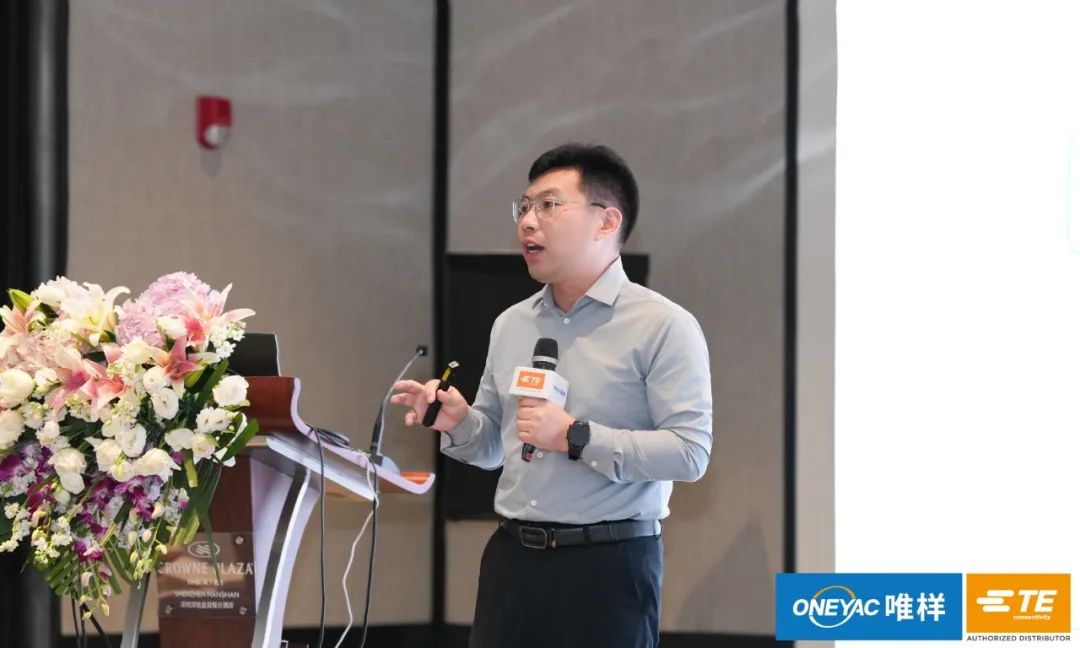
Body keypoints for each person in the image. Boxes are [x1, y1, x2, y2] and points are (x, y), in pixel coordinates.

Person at [391, 143, 712, 648]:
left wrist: (575, 436)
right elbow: (494, 448)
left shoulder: (663, 325)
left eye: (549, 205)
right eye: (524, 207)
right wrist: (458, 422)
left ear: (606, 221)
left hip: (608, 568)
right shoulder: (512, 324)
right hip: (512, 563)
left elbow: (690, 453)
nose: (528, 221)